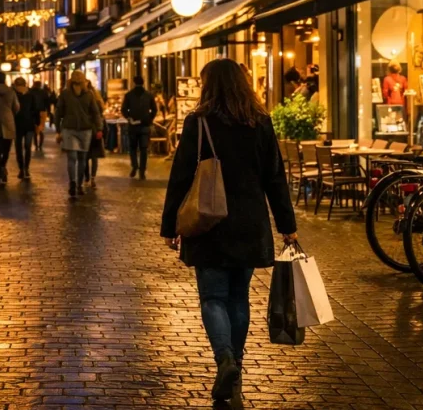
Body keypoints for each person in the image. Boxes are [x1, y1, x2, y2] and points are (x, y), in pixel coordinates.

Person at [160, 58, 297, 406]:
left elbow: (180, 176)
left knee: (213, 298)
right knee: (239, 298)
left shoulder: (198, 122)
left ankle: (224, 360)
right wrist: (287, 226)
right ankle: (235, 365)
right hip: (249, 223)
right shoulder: (260, 121)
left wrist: (170, 225)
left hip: (209, 222)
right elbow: (275, 178)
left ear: (209, 85)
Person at [54, 71, 102, 197]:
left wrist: (58, 129)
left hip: (69, 129)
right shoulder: (89, 95)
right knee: (82, 159)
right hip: (85, 130)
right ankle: (79, 185)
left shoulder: (65, 94)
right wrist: (99, 128)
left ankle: (73, 183)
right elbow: (95, 113)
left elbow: (58, 112)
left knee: (72, 158)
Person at [121, 76, 158, 180]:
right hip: (144, 126)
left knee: (132, 148)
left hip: (133, 126)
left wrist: (129, 118)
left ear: (133, 82)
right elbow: (154, 110)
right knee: (143, 149)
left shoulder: (129, 95)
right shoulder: (149, 95)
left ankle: (134, 166)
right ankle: (142, 171)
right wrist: (149, 119)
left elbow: (123, 109)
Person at [13, 78, 40, 180]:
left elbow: (35, 109)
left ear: (24, 85)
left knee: (28, 146)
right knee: (18, 147)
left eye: (21, 86)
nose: (19, 88)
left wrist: (37, 123)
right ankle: (21, 168)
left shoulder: (31, 95)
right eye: (18, 86)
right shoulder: (14, 95)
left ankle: (26, 168)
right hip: (17, 125)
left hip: (29, 125)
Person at [82, 84, 106, 188]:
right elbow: (100, 116)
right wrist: (100, 129)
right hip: (95, 131)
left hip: (87, 130)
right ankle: (92, 177)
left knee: (86, 155)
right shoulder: (98, 102)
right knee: (94, 156)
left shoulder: (85, 101)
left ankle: (87, 176)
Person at [30, 80, 49, 151]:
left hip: (33, 112)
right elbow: (47, 102)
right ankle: (40, 145)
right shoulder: (44, 92)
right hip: (42, 111)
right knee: (41, 130)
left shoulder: (30, 92)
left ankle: (36, 145)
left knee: (35, 130)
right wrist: (48, 111)